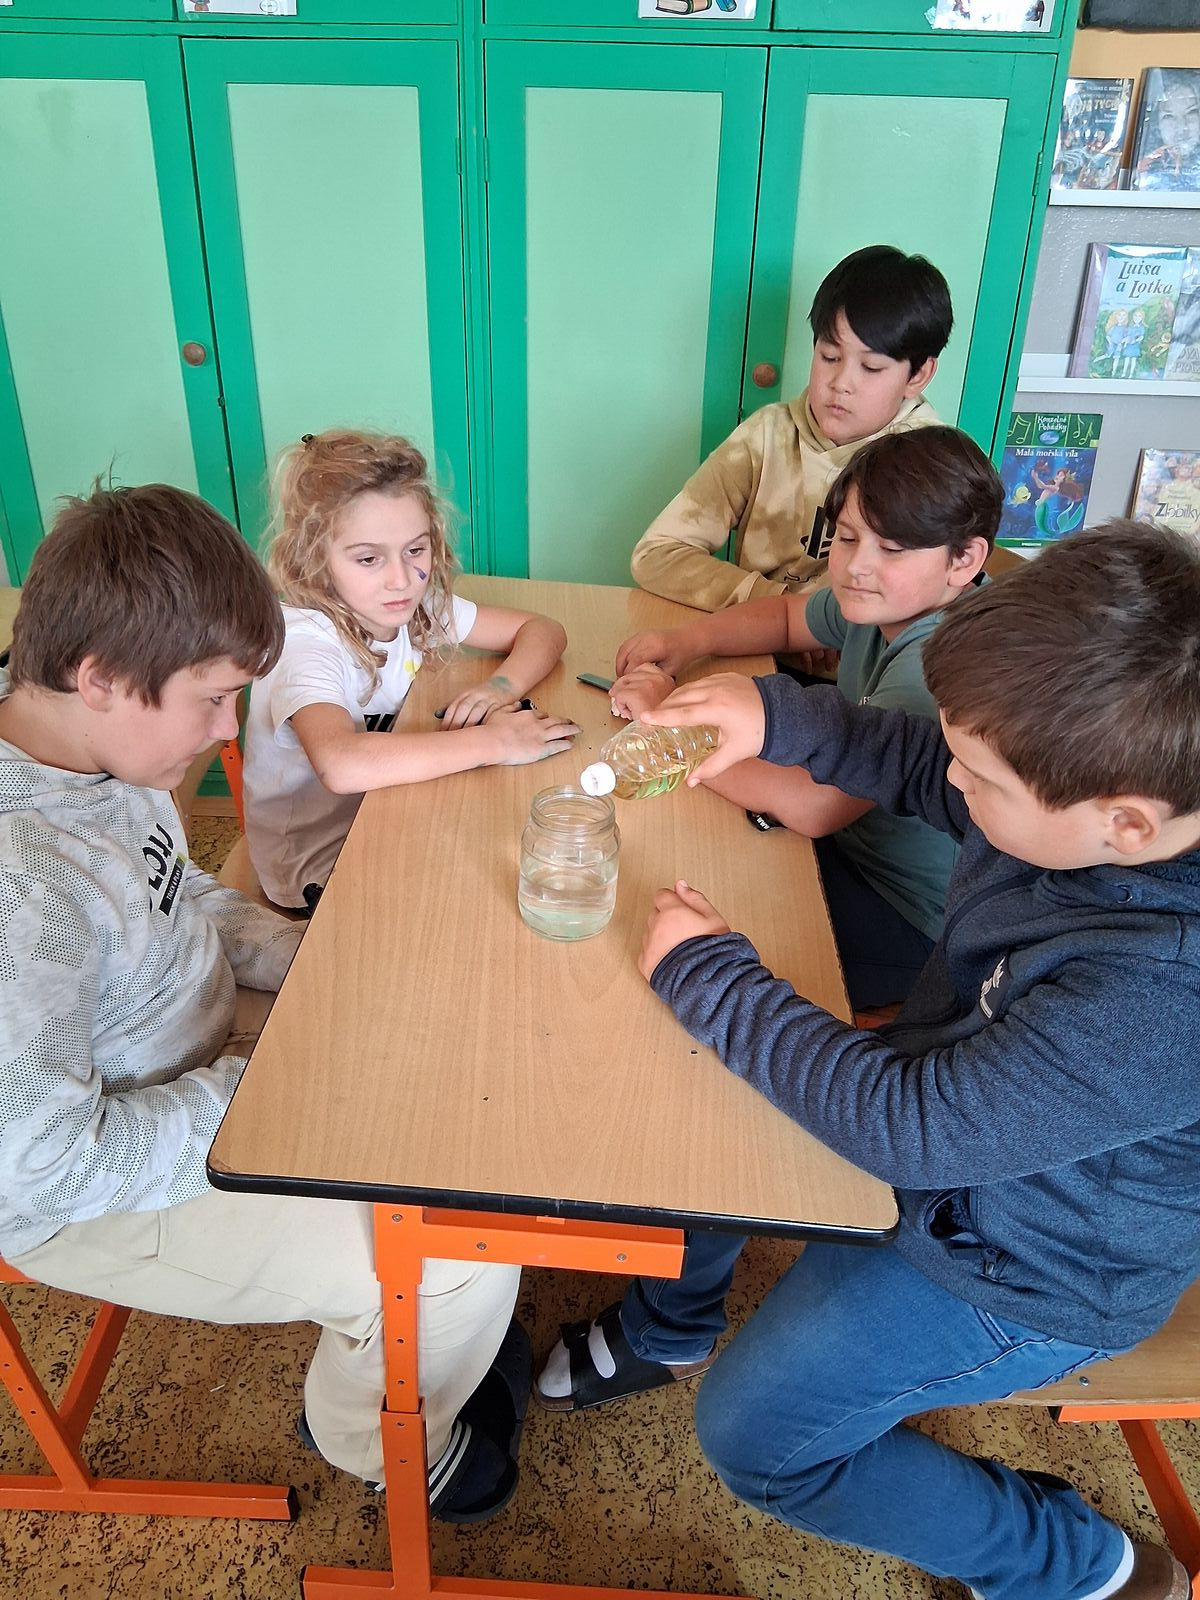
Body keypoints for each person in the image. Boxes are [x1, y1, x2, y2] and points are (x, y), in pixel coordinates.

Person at [631, 521, 1199, 1600]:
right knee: (711, 1113)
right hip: (955, 1140)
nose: (956, 784)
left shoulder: (1167, 991)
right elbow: (916, 764)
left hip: (1027, 1266)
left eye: (981, 779)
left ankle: (1082, 1567)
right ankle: (671, 1320)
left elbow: (915, 1127)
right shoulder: (1083, 792)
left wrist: (714, 978)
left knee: (754, 1437)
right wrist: (775, 714)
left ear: (1125, 823)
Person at [0, 484, 526, 1521]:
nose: (225, 729)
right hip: (86, 1190)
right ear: (98, 677)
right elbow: (48, 1163)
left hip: (193, 1059)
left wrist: (312, 962)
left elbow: (178, 887)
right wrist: (270, 1082)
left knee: (459, 1089)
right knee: (463, 1257)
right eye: (209, 700)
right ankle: (374, 1443)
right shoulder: (22, 884)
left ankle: (424, 1354)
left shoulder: (89, 740)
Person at [533, 427, 1001, 1417]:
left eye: (892, 548)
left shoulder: (943, 661)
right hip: (842, 862)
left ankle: (675, 1321)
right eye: (849, 537)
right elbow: (793, 612)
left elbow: (813, 806)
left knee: (721, 1031)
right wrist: (686, 644)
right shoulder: (878, 600)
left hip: (908, 921)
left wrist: (671, 728)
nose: (858, 565)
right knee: (676, 908)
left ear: (966, 562)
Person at [243, 429, 578, 912]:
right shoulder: (303, 643)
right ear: (314, 558)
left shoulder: (414, 607)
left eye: (416, 550)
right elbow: (340, 763)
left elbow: (544, 630)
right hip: (316, 865)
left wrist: (500, 687)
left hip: (386, 805)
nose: (400, 579)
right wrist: (496, 742)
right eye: (368, 558)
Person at [627, 245, 952, 637]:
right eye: (829, 357)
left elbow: (927, 609)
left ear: (918, 375)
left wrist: (818, 629)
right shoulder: (767, 435)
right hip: (753, 639)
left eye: (870, 367)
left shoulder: (930, 468)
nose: (841, 383)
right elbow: (657, 553)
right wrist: (779, 607)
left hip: (854, 666)